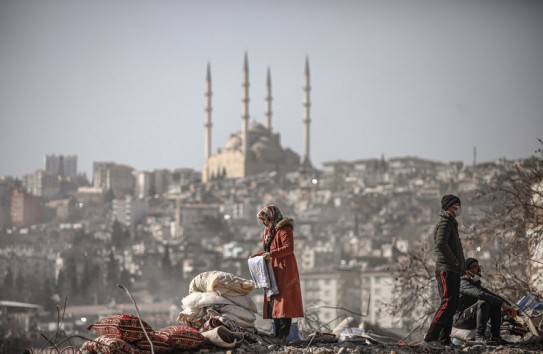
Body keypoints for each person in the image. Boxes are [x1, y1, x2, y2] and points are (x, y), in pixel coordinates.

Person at [250, 205, 304, 341]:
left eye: (265, 219)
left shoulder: (284, 230)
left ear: (271, 217)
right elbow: (268, 251)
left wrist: (271, 254)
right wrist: (257, 256)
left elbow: (289, 248)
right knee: (273, 301)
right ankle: (277, 333)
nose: (264, 222)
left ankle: (283, 336)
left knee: (284, 305)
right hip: (272, 271)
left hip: (284, 271)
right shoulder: (269, 233)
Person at [423, 194, 466, 349]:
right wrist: (455, 261)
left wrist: (462, 267)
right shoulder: (445, 223)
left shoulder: (451, 223)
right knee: (447, 303)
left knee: (452, 305)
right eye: (456, 206)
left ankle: (443, 339)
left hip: (453, 269)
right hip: (446, 269)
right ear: (449, 207)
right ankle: (430, 338)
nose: (459, 209)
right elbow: (440, 244)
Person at [453, 258, 513, 344]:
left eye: (478, 266)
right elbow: (480, 294)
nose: (478, 269)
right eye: (474, 267)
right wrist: (502, 304)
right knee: (483, 303)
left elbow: (493, 296)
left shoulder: (476, 285)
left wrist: (507, 305)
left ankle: (496, 337)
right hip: (460, 320)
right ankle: (479, 336)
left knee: (494, 303)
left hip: (470, 318)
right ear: (467, 271)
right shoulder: (463, 283)